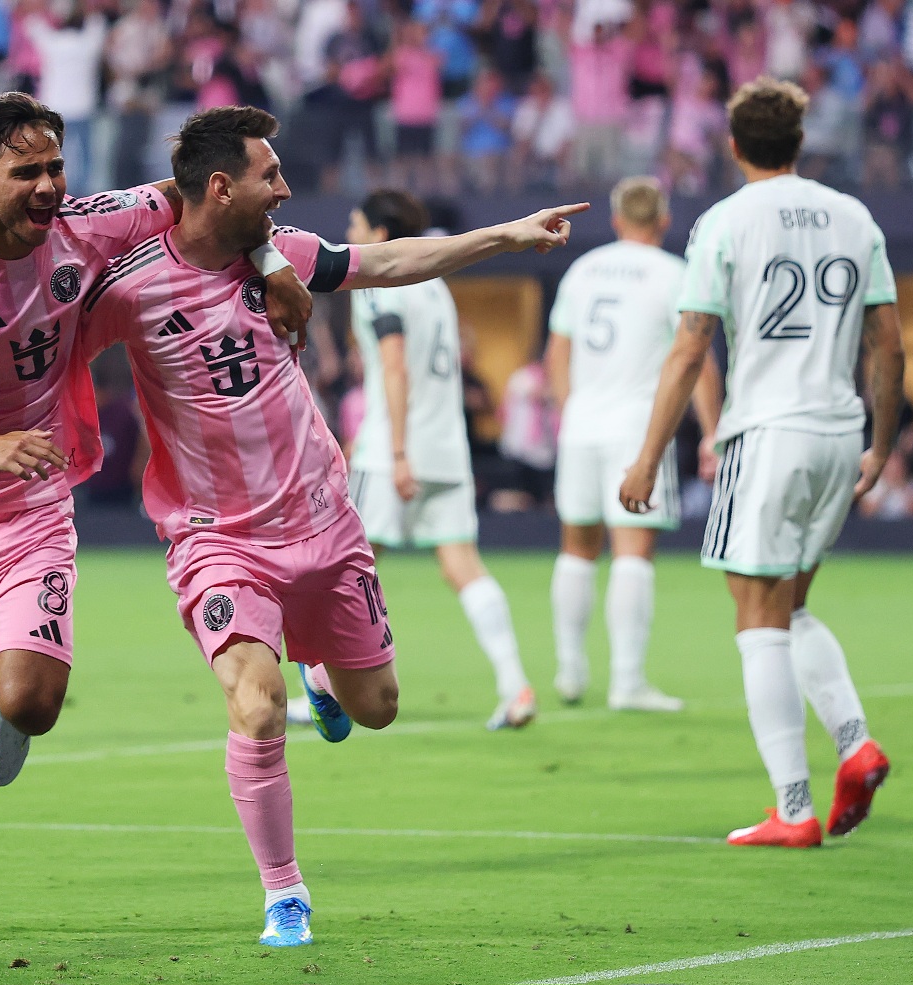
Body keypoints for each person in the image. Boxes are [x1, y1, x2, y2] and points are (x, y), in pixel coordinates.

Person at [79, 105, 585, 946]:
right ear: (218, 186)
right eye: (267, 175)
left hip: (321, 518)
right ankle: (285, 893)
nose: (283, 188)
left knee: (378, 707)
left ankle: (323, 676)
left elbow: (387, 259)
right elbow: (49, 332)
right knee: (256, 703)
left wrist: (507, 235)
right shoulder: (130, 286)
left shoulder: (281, 258)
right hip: (215, 536)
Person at [0, 92, 310, 940]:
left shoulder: (92, 223)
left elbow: (216, 196)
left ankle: (11, 699)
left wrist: (276, 264)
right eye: (27, 172)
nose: (48, 186)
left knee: (31, 703)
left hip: (28, 507)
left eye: (57, 167)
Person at [619, 78, 904, 848]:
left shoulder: (724, 221)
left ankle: (794, 807)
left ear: (735, 145)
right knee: (792, 603)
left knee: (755, 617)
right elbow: (890, 342)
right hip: (840, 432)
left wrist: (649, 456)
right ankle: (855, 743)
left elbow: (689, 345)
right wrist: (880, 442)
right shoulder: (856, 217)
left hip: (768, 430)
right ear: (800, 144)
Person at [341, 188, 536, 731]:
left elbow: (395, 365)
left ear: (381, 235)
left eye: (356, 225)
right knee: (464, 566)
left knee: (343, 568)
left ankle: (324, 688)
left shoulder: (378, 281)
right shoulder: (437, 287)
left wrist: (397, 449)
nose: (351, 235)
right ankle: (514, 683)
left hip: (394, 452)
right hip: (447, 448)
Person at [546, 177, 722, 712]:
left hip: (582, 422)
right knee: (633, 549)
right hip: (638, 429)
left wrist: (568, 411)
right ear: (664, 221)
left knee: (576, 547)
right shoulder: (676, 274)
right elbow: (699, 361)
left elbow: (558, 352)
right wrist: (712, 432)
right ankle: (627, 682)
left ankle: (570, 672)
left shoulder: (584, 269)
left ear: (617, 219)